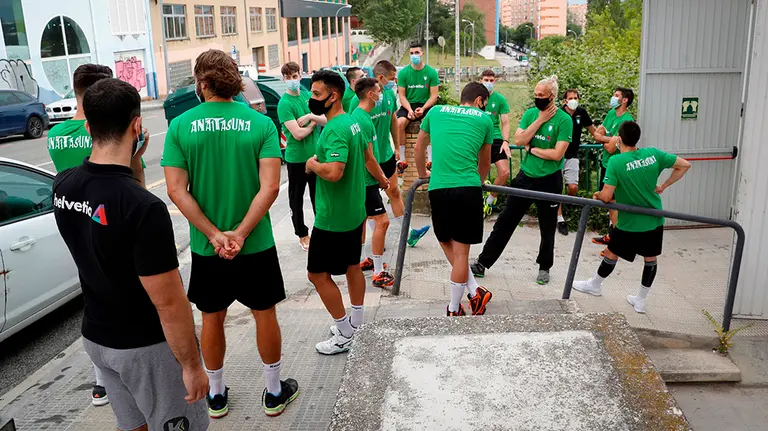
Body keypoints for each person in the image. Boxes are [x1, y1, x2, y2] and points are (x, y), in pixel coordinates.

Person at [53, 78, 209, 431]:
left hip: (97, 338)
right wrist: (192, 366)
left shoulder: (63, 185)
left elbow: (109, 215)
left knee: (133, 425)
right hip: (145, 347)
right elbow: (169, 304)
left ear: (89, 125)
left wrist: (133, 166)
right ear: (137, 125)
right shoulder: (144, 208)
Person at [162, 49, 299, 418]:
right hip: (255, 242)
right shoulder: (261, 124)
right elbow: (270, 188)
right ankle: (273, 393)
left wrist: (212, 234)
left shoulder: (180, 126)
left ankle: (217, 395)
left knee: (211, 317)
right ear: (235, 82)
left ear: (201, 83)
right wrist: (239, 233)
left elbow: (176, 190)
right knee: (264, 313)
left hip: (209, 249)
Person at [46, 63, 146, 406]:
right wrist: (135, 154)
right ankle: (120, 373)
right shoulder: (109, 133)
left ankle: (101, 381)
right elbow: (136, 185)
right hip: (114, 219)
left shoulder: (56, 135)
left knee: (92, 290)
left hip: (77, 217)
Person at [572, 121, 691, 313]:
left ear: (619, 138)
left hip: (629, 222)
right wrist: (663, 186)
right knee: (650, 259)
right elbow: (685, 165)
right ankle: (641, 301)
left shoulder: (616, 161)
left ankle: (595, 285)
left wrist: (597, 195)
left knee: (612, 253)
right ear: (638, 138)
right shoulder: (654, 154)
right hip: (654, 219)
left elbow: (606, 196)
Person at [305, 70, 380, 355]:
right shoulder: (352, 122)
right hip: (353, 212)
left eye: (316, 94)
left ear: (333, 96)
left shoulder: (336, 128)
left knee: (316, 274)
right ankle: (357, 323)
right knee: (351, 266)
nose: (311, 99)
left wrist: (312, 165)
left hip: (333, 216)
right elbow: (364, 157)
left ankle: (345, 332)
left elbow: (335, 172)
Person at [470, 76, 572, 285]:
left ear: (552, 97)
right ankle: (482, 262)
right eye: (535, 95)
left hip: (549, 180)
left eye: (541, 96)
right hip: (525, 176)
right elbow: (519, 140)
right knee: (505, 221)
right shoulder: (531, 114)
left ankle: (544, 267)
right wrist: (540, 121)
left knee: (547, 226)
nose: (537, 98)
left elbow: (557, 154)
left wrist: (533, 149)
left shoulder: (564, 120)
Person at [416, 82, 494, 316]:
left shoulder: (436, 111)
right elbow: (485, 162)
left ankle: (474, 292)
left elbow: (420, 147)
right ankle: (455, 307)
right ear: (479, 100)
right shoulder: (484, 120)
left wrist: (422, 175)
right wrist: (478, 182)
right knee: (461, 253)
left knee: (444, 240)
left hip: (438, 187)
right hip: (467, 188)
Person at [278, 61, 326, 251]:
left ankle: (320, 232)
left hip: (315, 156)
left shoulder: (307, 95)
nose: (292, 80)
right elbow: (297, 134)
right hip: (297, 159)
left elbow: (327, 118)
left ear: (300, 75)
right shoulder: (284, 104)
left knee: (318, 198)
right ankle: (302, 234)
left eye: (295, 76)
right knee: (296, 199)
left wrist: (311, 117)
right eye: (288, 78)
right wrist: (314, 122)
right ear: (284, 79)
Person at [350, 78, 393, 287]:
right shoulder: (362, 119)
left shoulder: (360, 116)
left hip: (365, 181)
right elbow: (369, 159)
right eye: (378, 91)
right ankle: (377, 271)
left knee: (364, 221)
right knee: (382, 222)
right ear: (370, 94)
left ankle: (366, 260)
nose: (381, 95)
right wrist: (382, 179)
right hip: (367, 181)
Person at [397, 42, 439, 247]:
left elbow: (434, 95)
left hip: (426, 106)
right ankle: (402, 158)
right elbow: (402, 95)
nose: (414, 55)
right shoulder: (404, 73)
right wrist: (409, 110)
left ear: (422, 53)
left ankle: (429, 158)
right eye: (411, 53)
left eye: (417, 53)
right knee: (400, 122)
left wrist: (423, 108)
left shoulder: (430, 72)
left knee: (428, 123)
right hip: (408, 106)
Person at [592, 87, 635, 248]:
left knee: (614, 201)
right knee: (610, 201)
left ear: (624, 100)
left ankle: (618, 243)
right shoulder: (611, 114)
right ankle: (612, 235)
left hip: (618, 166)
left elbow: (610, 148)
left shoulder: (626, 120)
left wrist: (604, 139)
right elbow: (596, 134)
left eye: (616, 95)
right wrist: (609, 138)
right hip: (606, 164)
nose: (613, 97)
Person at [557, 88, 596, 235]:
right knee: (557, 187)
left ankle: (564, 206)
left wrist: (606, 138)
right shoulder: (559, 113)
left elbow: (593, 130)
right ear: (564, 100)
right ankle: (560, 218)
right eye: (570, 98)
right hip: (558, 155)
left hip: (572, 155)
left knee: (573, 187)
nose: (573, 100)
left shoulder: (581, 112)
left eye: (576, 97)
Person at [479, 69, 511, 217]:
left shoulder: (500, 99)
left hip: (496, 138)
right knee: (477, 173)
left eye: (491, 81)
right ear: (481, 80)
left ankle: (490, 200)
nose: (489, 83)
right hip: (478, 138)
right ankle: (475, 199)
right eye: (486, 80)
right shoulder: (476, 97)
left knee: (505, 172)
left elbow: (505, 122)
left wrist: (505, 141)